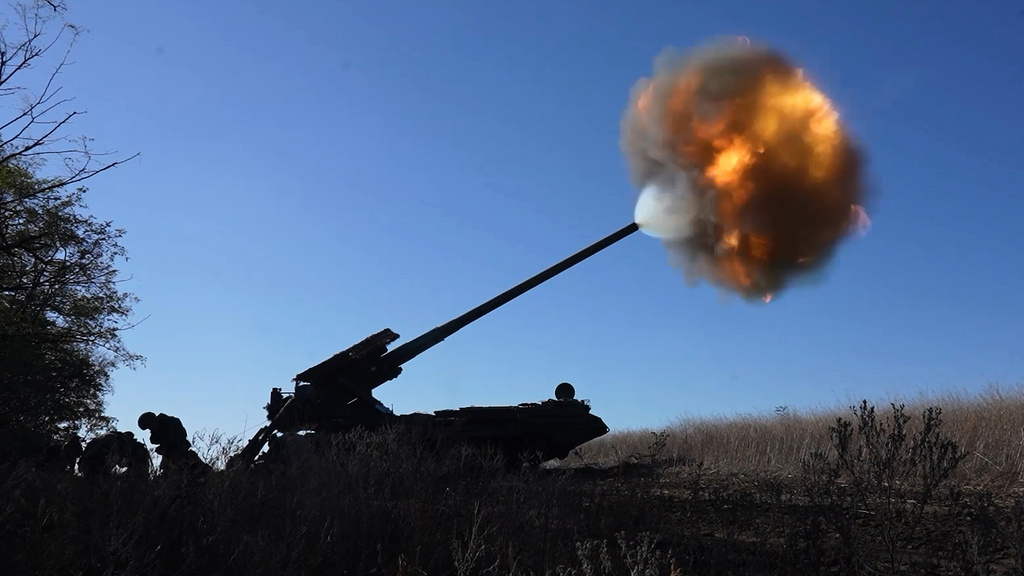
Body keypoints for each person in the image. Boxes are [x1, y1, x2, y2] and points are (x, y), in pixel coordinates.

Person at [138, 411, 211, 476]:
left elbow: (175, 438)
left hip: (179, 453)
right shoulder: (159, 428)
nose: (150, 429)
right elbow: (154, 440)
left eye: (150, 427)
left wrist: (167, 448)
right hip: (172, 455)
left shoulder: (170, 423)